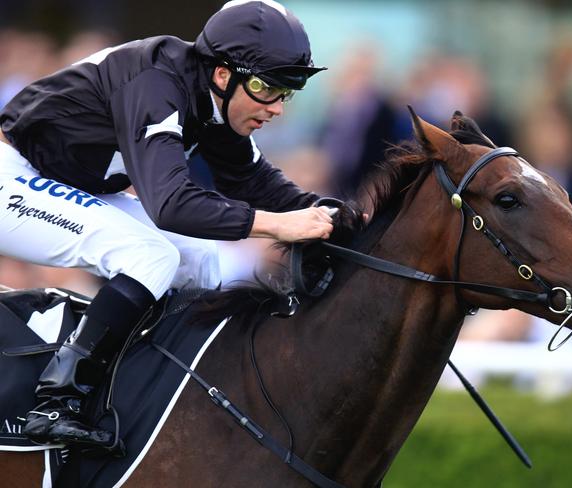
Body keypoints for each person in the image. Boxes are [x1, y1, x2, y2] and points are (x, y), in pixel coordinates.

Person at [0, 0, 333, 450]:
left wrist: (338, 217)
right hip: (13, 173)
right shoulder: (158, 83)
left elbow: (253, 180)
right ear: (224, 74)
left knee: (200, 260)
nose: (277, 108)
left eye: (286, 92)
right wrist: (278, 226)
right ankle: (56, 403)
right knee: (150, 255)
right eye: (267, 89)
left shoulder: (214, 97)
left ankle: (151, 384)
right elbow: (172, 205)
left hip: (60, 179)